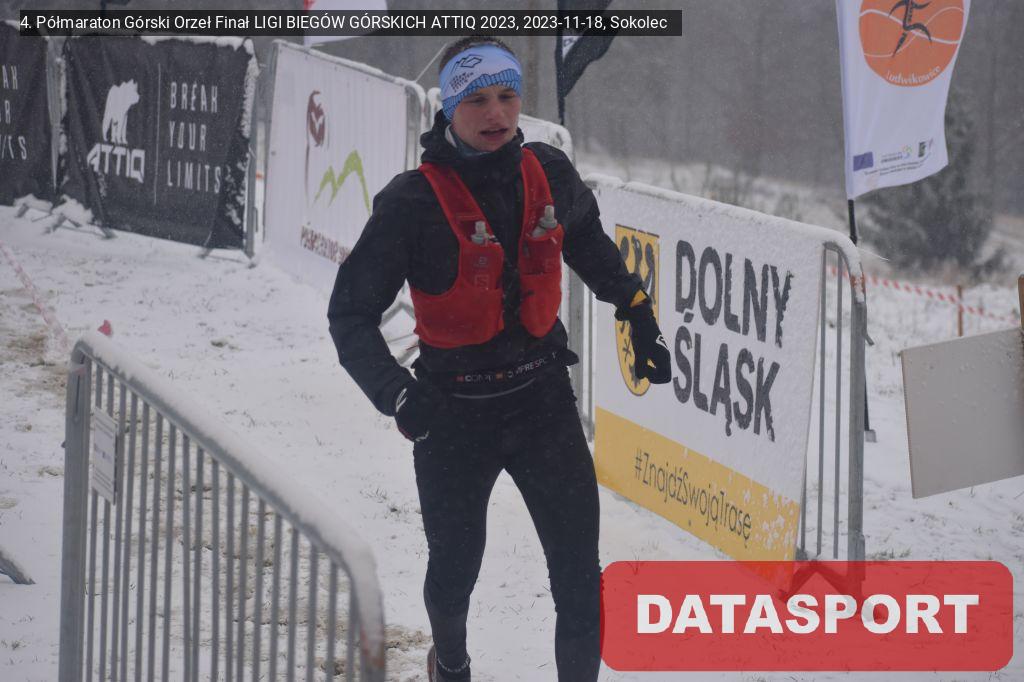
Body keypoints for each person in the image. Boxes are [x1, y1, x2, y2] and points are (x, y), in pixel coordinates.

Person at [327, 36, 671, 682]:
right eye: (477, 100)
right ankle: (452, 665)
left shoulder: (550, 173)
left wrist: (634, 306)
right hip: (452, 414)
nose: (496, 113)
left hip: (542, 403)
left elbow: (588, 242)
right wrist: (397, 395)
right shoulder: (411, 203)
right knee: (454, 573)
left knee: (579, 576)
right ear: (448, 108)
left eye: (508, 96)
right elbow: (349, 315)